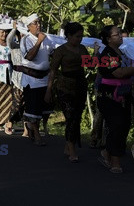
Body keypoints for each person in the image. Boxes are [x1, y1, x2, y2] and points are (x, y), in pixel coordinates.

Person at [96, 25, 134, 174]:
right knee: (116, 125)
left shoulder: (123, 52)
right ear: (108, 39)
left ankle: (108, 152)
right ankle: (115, 161)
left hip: (125, 93)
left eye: (121, 33)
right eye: (117, 34)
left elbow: (132, 70)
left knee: (124, 125)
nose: (120, 36)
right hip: (110, 95)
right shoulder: (107, 55)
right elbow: (119, 73)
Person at [45, 22, 89, 162]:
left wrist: (97, 52)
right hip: (64, 87)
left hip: (80, 85)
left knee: (77, 116)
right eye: (77, 36)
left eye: (81, 36)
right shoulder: (61, 51)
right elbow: (53, 71)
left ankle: (68, 144)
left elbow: (89, 64)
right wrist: (49, 90)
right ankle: (72, 150)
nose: (80, 39)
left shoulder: (82, 49)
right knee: (70, 117)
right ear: (68, 36)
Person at [20, 14, 55, 146]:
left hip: (45, 78)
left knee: (43, 108)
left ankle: (33, 128)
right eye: (35, 23)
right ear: (29, 26)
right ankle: (36, 134)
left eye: (39, 22)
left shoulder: (47, 39)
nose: (38, 25)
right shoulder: (25, 40)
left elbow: (53, 54)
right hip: (32, 79)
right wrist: (39, 41)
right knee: (33, 108)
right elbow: (29, 57)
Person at [7, 20, 27, 136]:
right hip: (16, 78)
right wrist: (14, 29)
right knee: (17, 103)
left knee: (27, 104)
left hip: (28, 78)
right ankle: (9, 122)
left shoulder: (31, 47)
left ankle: (26, 129)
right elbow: (9, 39)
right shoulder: (14, 45)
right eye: (22, 34)